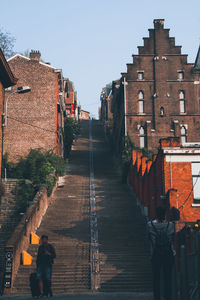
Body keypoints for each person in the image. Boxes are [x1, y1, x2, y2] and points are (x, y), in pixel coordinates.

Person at [147, 206, 175, 300]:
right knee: (168, 278)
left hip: (156, 253)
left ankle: (157, 297)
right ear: (164, 214)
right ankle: (168, 297)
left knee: (156, 279)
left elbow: (150, 241)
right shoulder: (170, 225)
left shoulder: (150, 225)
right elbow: (171, 240)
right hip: (167, 253)